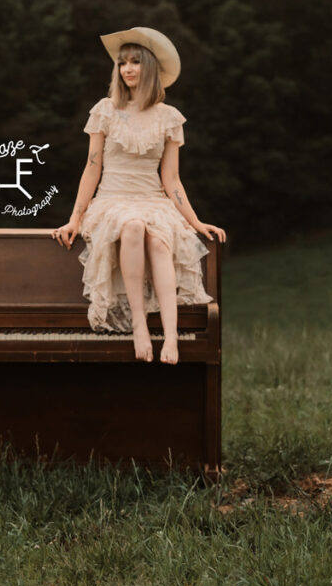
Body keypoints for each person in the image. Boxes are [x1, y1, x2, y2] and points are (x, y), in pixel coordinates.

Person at [52, 26, 226, 365]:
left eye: (135, 62)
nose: (128, 69)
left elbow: (172, 179)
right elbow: (92, 168)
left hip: (152, 198)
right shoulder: (105, 109)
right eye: (122, 63)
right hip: (113, 199)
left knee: (160, 239)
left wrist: (195, 220)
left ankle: (172, 336)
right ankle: (140, 325)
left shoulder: (169, 117)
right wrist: (75, 217)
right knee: (131, 226)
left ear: (150, 68)